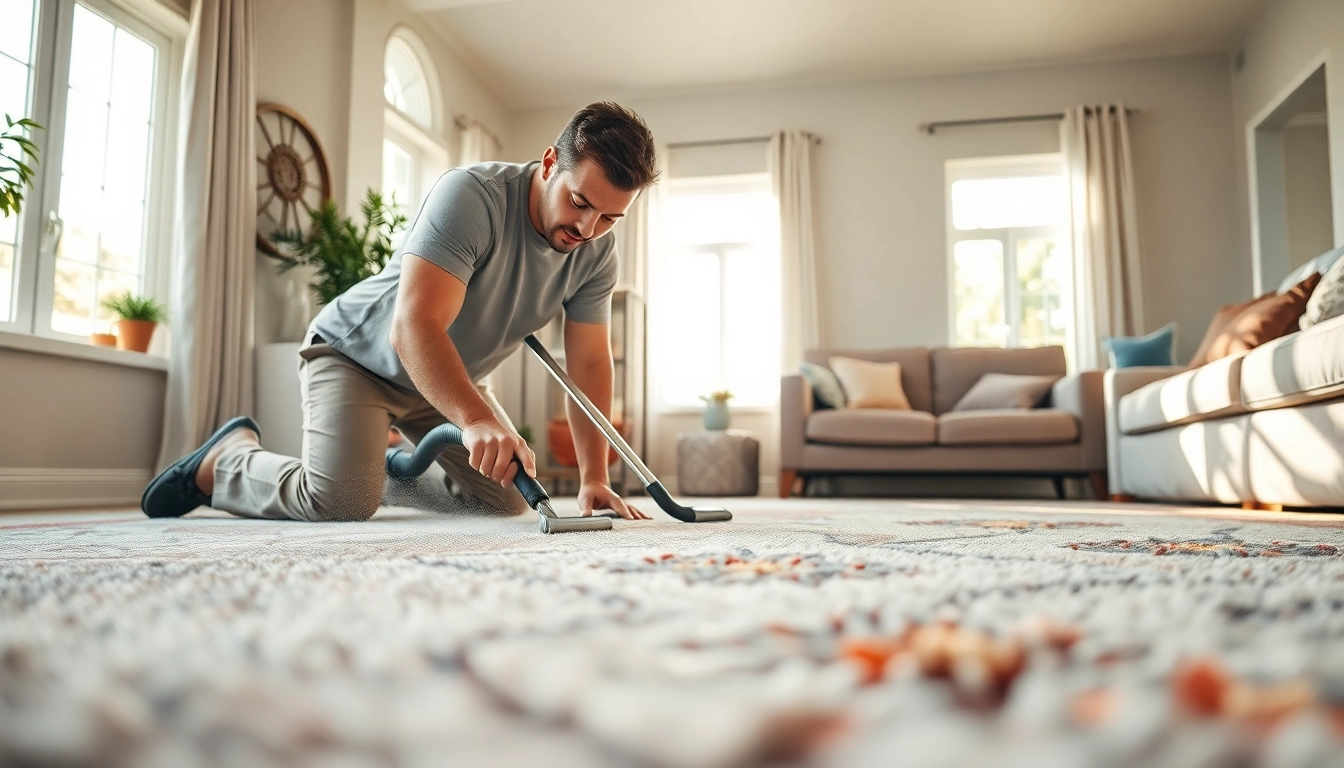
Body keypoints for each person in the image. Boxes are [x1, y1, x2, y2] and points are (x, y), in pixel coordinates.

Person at [142, 102, 657, 523]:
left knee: (508, 499)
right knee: (336, 505)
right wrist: (476, 418)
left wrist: (595, 478)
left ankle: (381, 470)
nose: (588, 229)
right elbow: (414, 328)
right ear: (549, 164)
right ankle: (224, 462)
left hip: (449, 376)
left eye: (611, 217)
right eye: (580, 202)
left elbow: (589, 365)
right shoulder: (472, 198)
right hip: (358, 358)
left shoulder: (595, 253)